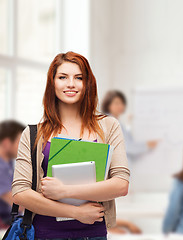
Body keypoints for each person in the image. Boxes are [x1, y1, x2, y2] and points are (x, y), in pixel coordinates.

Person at [12, 52, 130, 240]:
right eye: (62, 77)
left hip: (93, 234)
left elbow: (121, 185)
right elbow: (20, 193)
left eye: (79, 78)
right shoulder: (33, 134)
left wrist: (65, 191)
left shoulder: (109, 126)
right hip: (45, 234)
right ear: (52, 83)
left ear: (87, 83)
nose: (71, 84)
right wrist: (75, 212)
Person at [101, 90, 158, 162]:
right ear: (108, 105)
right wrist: (147, 145)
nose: (120, 106)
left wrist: (129, 123)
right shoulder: (111, 122)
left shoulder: (113, 121)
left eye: (122, 103)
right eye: (116, 103)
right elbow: (127, 146)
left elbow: (125, 138)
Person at [0, 120, 25, 227]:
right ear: (6, 142)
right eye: (20, 142)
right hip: (5, 222)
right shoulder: (1, 167)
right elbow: (17, 204)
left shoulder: (8, 163)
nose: (23, 147)